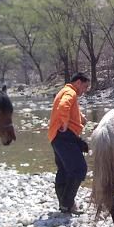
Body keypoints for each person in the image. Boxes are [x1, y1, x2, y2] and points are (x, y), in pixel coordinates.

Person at [48, 72, 90, 214]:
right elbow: (63, 107)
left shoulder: (65, 91)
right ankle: (67, 204)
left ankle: (63, 204)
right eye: (85, 86)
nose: (84, 90)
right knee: (79, 169)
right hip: (64, 136)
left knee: (64, 170)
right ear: (78, 82)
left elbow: (67, 107)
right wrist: (64, 123)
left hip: (56, 136)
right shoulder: (70, 92)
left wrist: (80, 118)